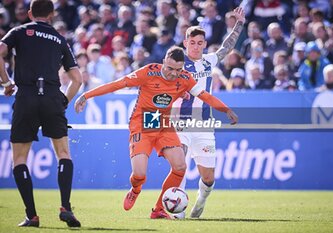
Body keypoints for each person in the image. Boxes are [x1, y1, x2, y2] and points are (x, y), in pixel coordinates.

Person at [74, 46, 238, 219]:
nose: (174, 73)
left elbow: (205, 96)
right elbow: (117, 84)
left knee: (180, 166)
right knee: (139, 174)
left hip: (163, 124)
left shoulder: (185, 78)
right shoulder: (148, 72)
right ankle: (135, 189)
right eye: (170, 68)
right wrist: (86, 95)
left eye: (178, 69)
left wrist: (226, 110)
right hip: (142, 124)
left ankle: (159, 208)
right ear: (163, 63)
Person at [0, 0, 82, 228]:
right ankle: (66, 206)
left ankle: (32, 215)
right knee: (64, 153)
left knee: (19, 159)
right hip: (52, 96)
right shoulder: (59, 39)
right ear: (52, 14)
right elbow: (77, 80)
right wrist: (62, 102)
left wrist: (6, 82)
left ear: (29, 13)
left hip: (25, 96)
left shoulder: (19, 31)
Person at [171, 6, 245, 219]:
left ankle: (200, 201)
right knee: (180, 165)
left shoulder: (209, 61)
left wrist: (239, 23)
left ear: (204, 44)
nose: (196, 46)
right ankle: (179, 210)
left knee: (209, 178)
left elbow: (227, 46)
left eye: (200, 43)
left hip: (203, 125)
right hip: (180, 123)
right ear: (185, 43)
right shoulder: (176, 63)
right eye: (192, 42)